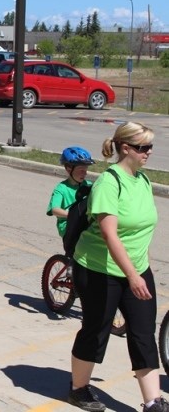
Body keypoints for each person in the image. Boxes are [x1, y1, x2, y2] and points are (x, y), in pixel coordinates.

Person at [67, 122, 167, 412]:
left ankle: (152, 401)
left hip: (135, 268)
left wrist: (140, 267)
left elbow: (141, 230)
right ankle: (78, 388)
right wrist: (133, 276)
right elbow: (110, 235)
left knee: (143, 332)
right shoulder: (109, 183)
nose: (148, 152)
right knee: (96, 330)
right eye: (143, 147)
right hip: (99, 269)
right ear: (125, 148)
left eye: (150, 147)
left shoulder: (142, 179)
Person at [47, 147, 95, 239]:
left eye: (86, 169)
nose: (85, 173)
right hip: (68, 225)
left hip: (85, 222)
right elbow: (55, 209)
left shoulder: (89, 185)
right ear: (69, 169)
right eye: (81, 170)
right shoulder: (61, 188)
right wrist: (73, 216)